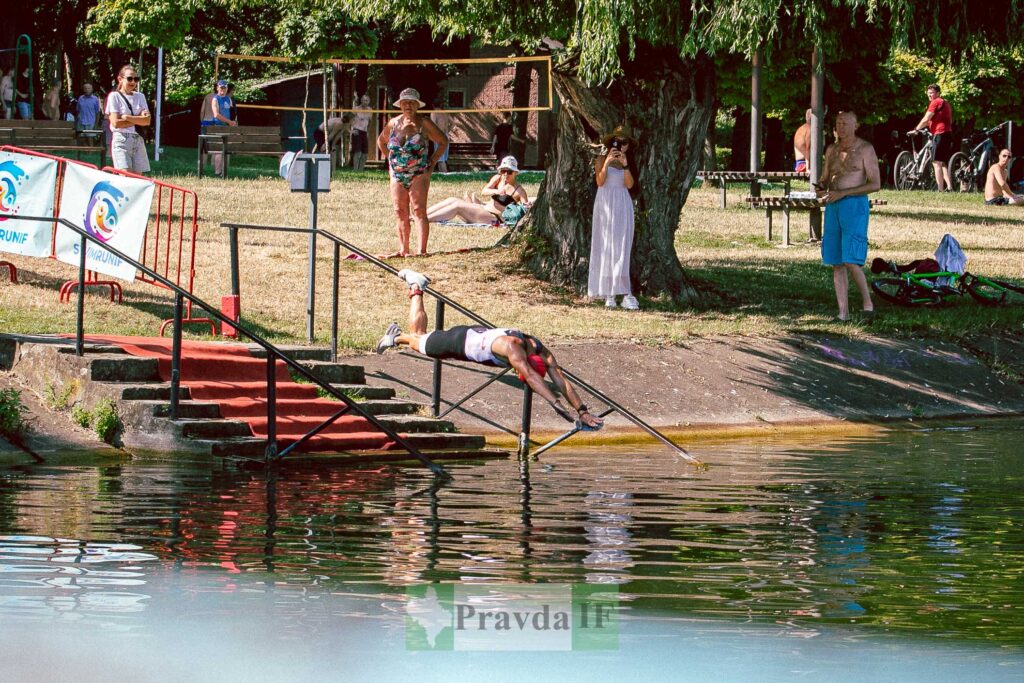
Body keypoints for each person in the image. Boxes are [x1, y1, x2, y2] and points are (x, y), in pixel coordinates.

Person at [375, 268, 604, 430]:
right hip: (457, 343)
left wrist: (582, 410)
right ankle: (404, 317)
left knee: (420, 335)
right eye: (518, 371)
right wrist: (557, 406)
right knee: (417, 340)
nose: (517, 372)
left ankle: (408, 308)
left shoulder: (537, 346)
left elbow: (561, 380)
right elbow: (533, 377)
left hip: (472, 334)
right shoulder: (514, 349)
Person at [816, 110, 881, 322]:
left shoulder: (865, 149)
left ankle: (867, 305)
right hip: (833, 205)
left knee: (851, 259)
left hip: (853, 205)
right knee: (836, 261)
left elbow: (875, 184)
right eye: (838, 122)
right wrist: (821, 187)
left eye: (845, 123)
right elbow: (825, 178)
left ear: (856, 125)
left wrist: (843, 193)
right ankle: (842, 313)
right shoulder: (832, 150)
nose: (841, 127)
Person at [377, 87, 448, 256]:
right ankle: (403, 250)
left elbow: (443, 141)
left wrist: (432, 163)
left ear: (417, 105)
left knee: (419, 210)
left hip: (419, 172)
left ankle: (421, 250)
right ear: (400, 105)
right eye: (405, 102)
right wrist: (390, 161)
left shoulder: (424, 123)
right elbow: (381, 142)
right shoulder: (393, 123)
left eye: (411, 102)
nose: (408, 105)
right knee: (400, 211)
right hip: (397, 173)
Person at [588, 125, 639, 310]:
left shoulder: (628, 161)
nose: (620, 146)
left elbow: (630, 184)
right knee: (606, 244)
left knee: (622, 245)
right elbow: (600, 181)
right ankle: (608, 292)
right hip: (605, 203)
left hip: (622, 202)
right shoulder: (602, 159)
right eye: (617, 142)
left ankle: (625, 292)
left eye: (624, 143)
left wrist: (624, 164)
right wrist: (608, 162)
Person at [426, 155, 528, 224]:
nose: (505, 174)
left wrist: (527, 206)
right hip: (484, 209)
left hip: (494, 217)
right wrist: (497, 191)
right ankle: (421, 215)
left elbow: (525, 211)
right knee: (452, 199)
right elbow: (484, 191)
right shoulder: (498, 178)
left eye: (509, 172)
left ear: (516, 173)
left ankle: (425, 220)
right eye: (503, 171)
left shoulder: (519, 191)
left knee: (457, 206)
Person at [105, 65, 151, 173]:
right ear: (120, 79)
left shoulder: (140, 96)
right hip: (121, 139)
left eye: (136, 79)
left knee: (138, 178)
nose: (133, 82)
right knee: (125, 176)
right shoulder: (114, 96)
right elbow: (116, 123)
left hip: (138, 139)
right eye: (130, 79)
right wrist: (138, 119)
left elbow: (147, 121)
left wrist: (127, 117)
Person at [909, 83, 953, 192]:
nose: (930, 95)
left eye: (932, 93)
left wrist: (916, 130)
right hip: (947, 133)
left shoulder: (936, 102)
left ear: (938, 93)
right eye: (928, 93)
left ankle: (940, 190)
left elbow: (926, 119)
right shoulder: (945, 103)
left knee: (936, 162)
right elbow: (936, 120)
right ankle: (950, 187)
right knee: (942, 162)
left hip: (940, 133)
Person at [351, 93, 372, 171]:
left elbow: (370, 122)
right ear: (361, 100)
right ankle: (355, 169)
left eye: (366, 100)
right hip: (357, 130)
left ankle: (360, 170)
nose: (365, 102)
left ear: (368, 101)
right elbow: (349, 119)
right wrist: (352, 130)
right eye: (363, 100)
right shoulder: (356, 108)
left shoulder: (370, 110)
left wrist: (368, 131)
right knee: (357, 152)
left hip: (364, 131)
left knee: (365, 153)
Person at [432, 100, 452, 173]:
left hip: (439, 136)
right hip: (446, 135)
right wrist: (447, 131)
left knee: (440, 158)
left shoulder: (434, 112)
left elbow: (433, 125)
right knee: (442, 158)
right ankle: (443, 174)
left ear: (432, 105)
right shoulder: (445, 113)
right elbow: (453, 123)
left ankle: (445, 174)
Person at [793, 108, 811, 173]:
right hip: (803, 165)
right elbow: (808, 149)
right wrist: (808, 168)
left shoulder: (803, 128)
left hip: (799, 163)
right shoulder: (809, 129)